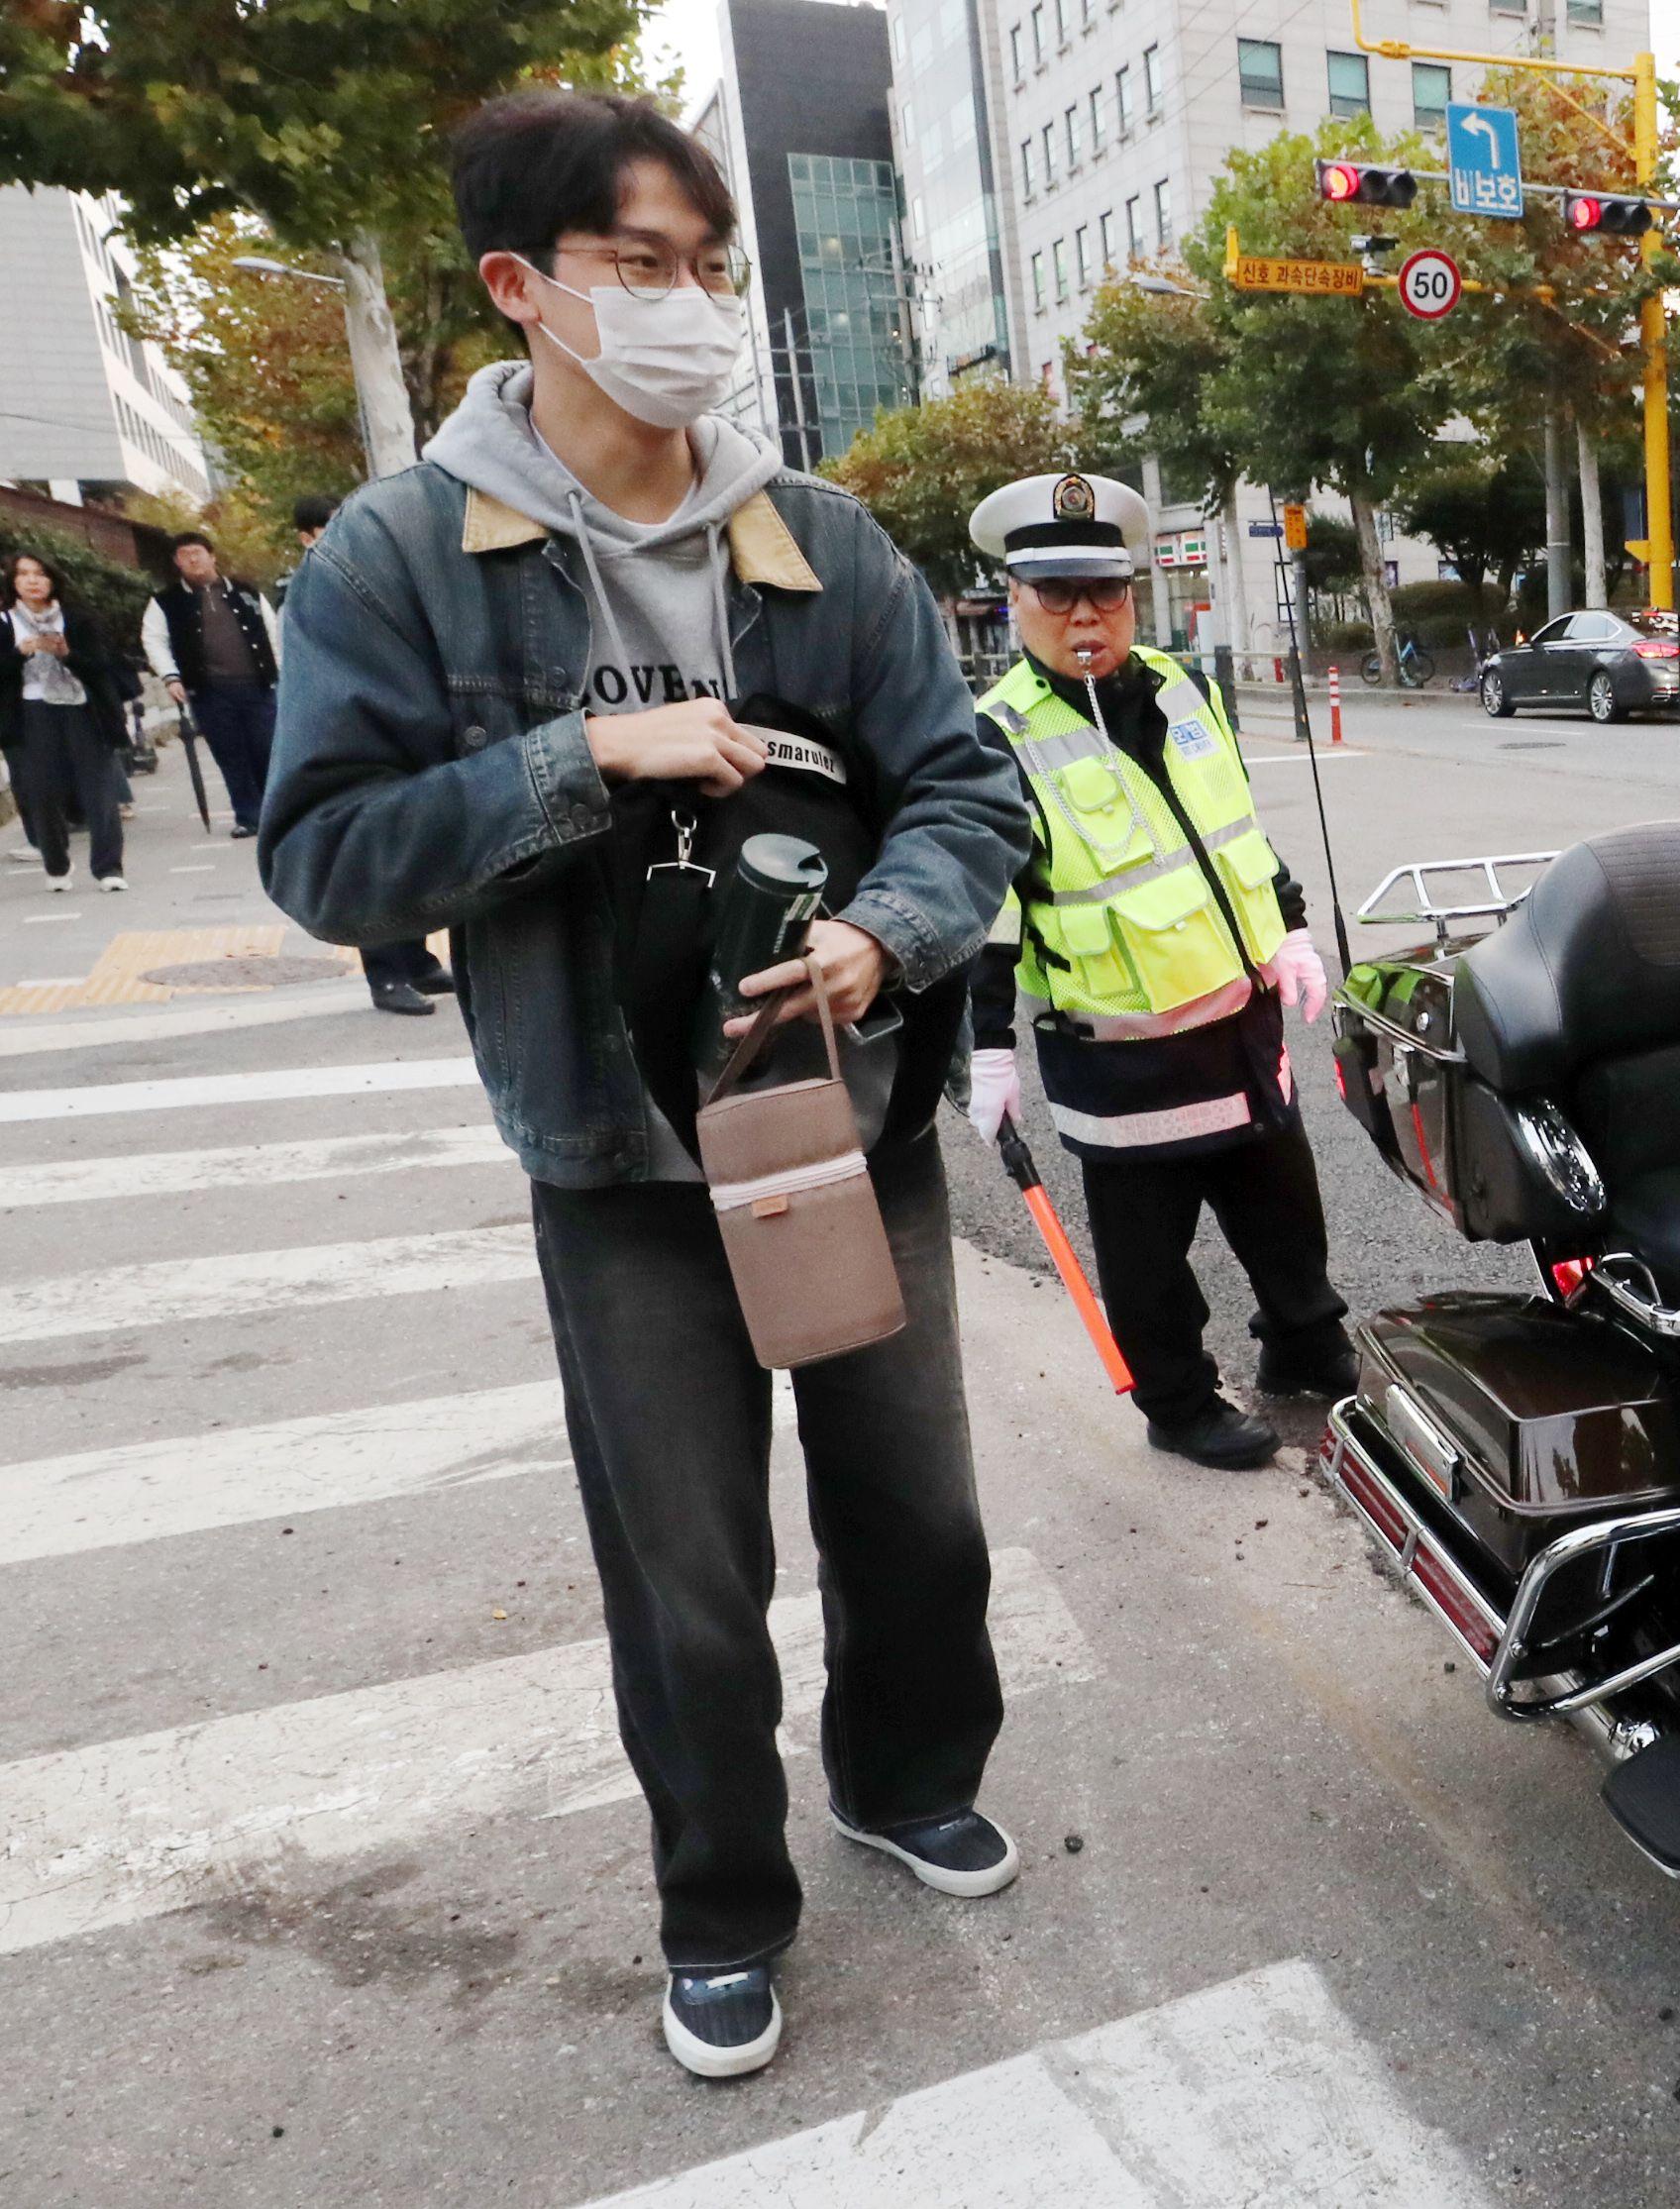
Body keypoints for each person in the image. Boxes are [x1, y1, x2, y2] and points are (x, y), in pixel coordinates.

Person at [260, 88, 1035, 2083]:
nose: (691, 306)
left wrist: (891, 929)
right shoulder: (402, 557)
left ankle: (908, 1771)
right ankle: (721, 1907)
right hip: (618, 1156)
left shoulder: (821, 541)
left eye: (713, 270)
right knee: (689, 1574)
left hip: (840, 1117)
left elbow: (966, 785)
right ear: (523, 289)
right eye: (642, 266)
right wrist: (574, 764)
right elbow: (325, 856)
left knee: (916, 1514)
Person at [962, 470, 1354, 1469]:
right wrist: (987, 1052)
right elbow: (991, 915)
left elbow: (1235, 836)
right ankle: (1177, 1404)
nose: (1086, 615)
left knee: (1283, 1207)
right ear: (1015, 600)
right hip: (1123, 1053)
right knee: (1147, 1255)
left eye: (1107, 592)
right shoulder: (994, 736)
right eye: (1058, 595)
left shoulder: (1189, 689)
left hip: (1238, 1021)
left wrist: (1292, 929)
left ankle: (1303, 1346)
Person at [289, 490, 456, 1016]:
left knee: (415, 848)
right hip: (351, 732)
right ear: (308, 535)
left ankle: (418, 960)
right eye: (333, 522)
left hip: (406, 725)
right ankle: (384, 975)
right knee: (372, 856)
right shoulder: (314, 586)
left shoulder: (384, 575)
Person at [4, 550, 137, 893]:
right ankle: (56, 864)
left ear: (53, 580)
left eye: (40, 573)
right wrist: (20, 654)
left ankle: (109, 868)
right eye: (24, 574)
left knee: (99, 789)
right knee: (41, 791)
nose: (33, 580)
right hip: (31, 711)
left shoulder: (78, 619)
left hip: (82, 708)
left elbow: (100, 666)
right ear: (13, 582)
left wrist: (67, 654)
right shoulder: (6, 623)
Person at [142, 529, 281, 841]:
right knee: (230, 753)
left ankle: (275, 812)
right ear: (177, 562)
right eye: (184, 555)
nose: (192, 559)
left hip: (256, 685)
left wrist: (279, 670)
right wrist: (170, 675)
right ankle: (247, 815)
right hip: (208, 691)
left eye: (198, 552)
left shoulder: (245, 591)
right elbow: (154, 640)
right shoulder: (166, 601)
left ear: (212, 555)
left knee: (267, 748)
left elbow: (273, 633)